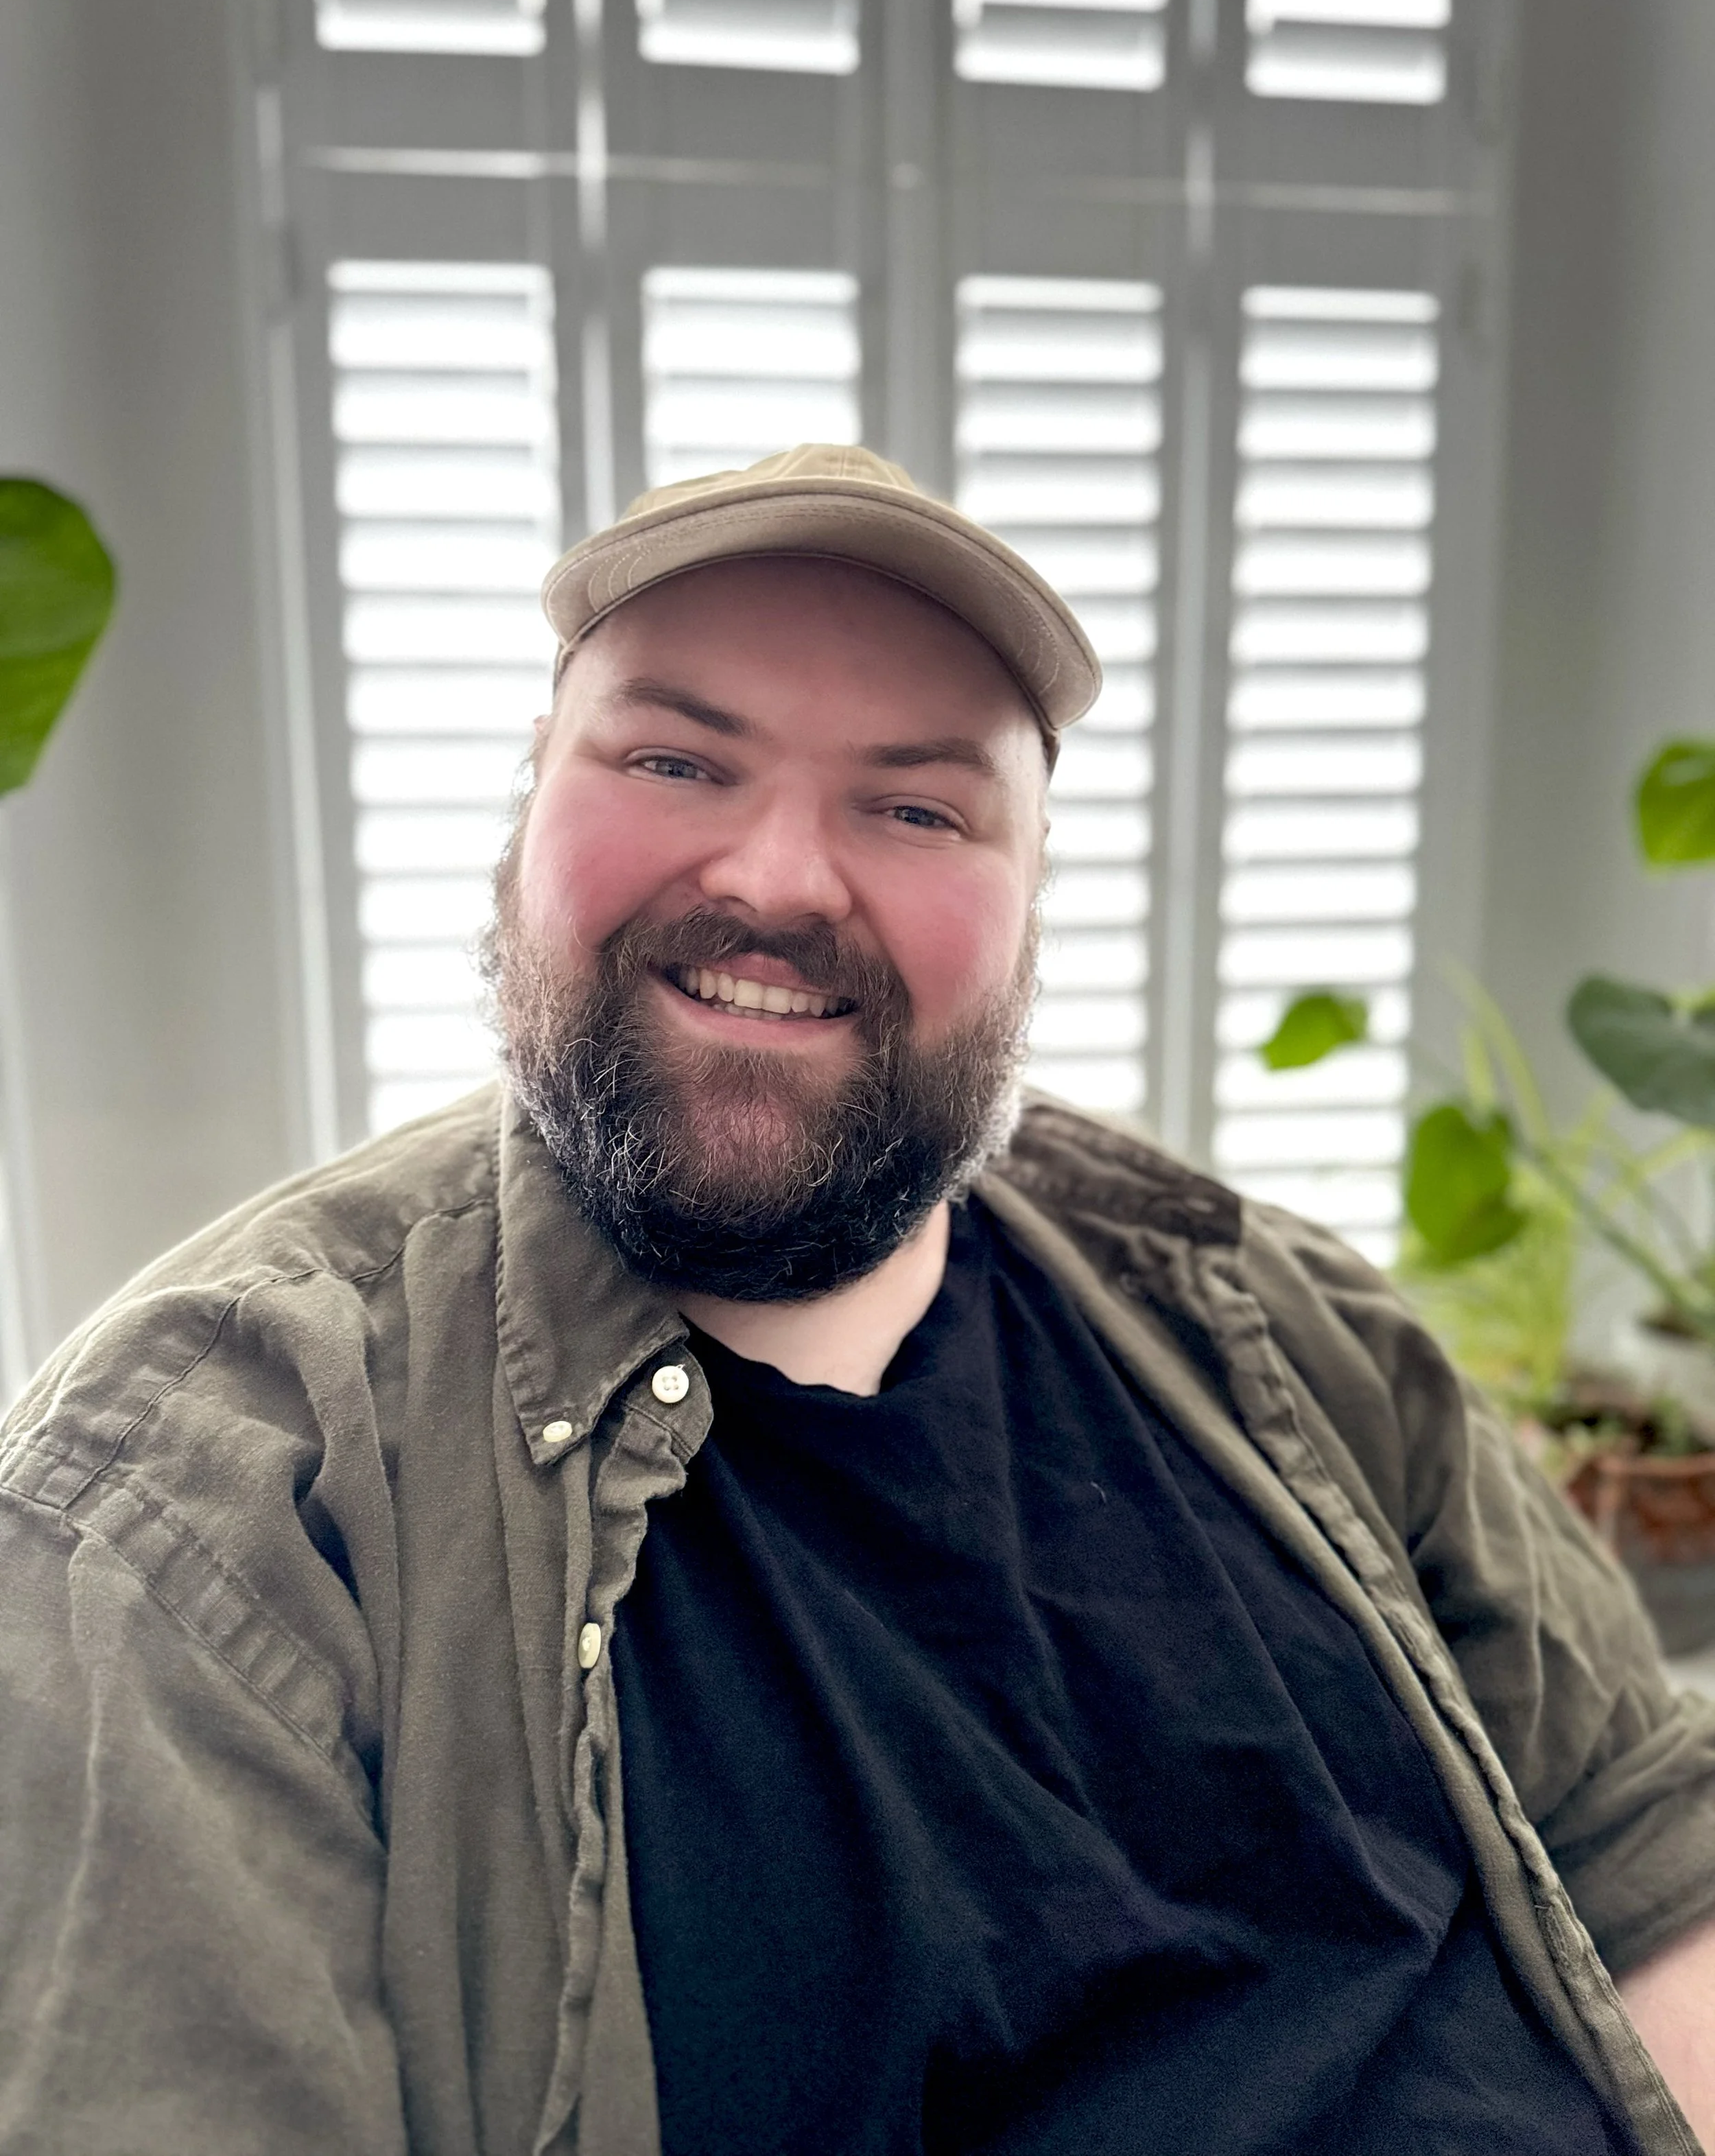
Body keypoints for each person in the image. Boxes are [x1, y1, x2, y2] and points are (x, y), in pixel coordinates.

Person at [1, 443, 1713, 2156]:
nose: (776, 881)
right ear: (528, 807)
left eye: (916, 808)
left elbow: (1650, 1842)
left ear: (1029, 904)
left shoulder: (1267, 1314)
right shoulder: (209, 1514)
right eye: (675, 759)